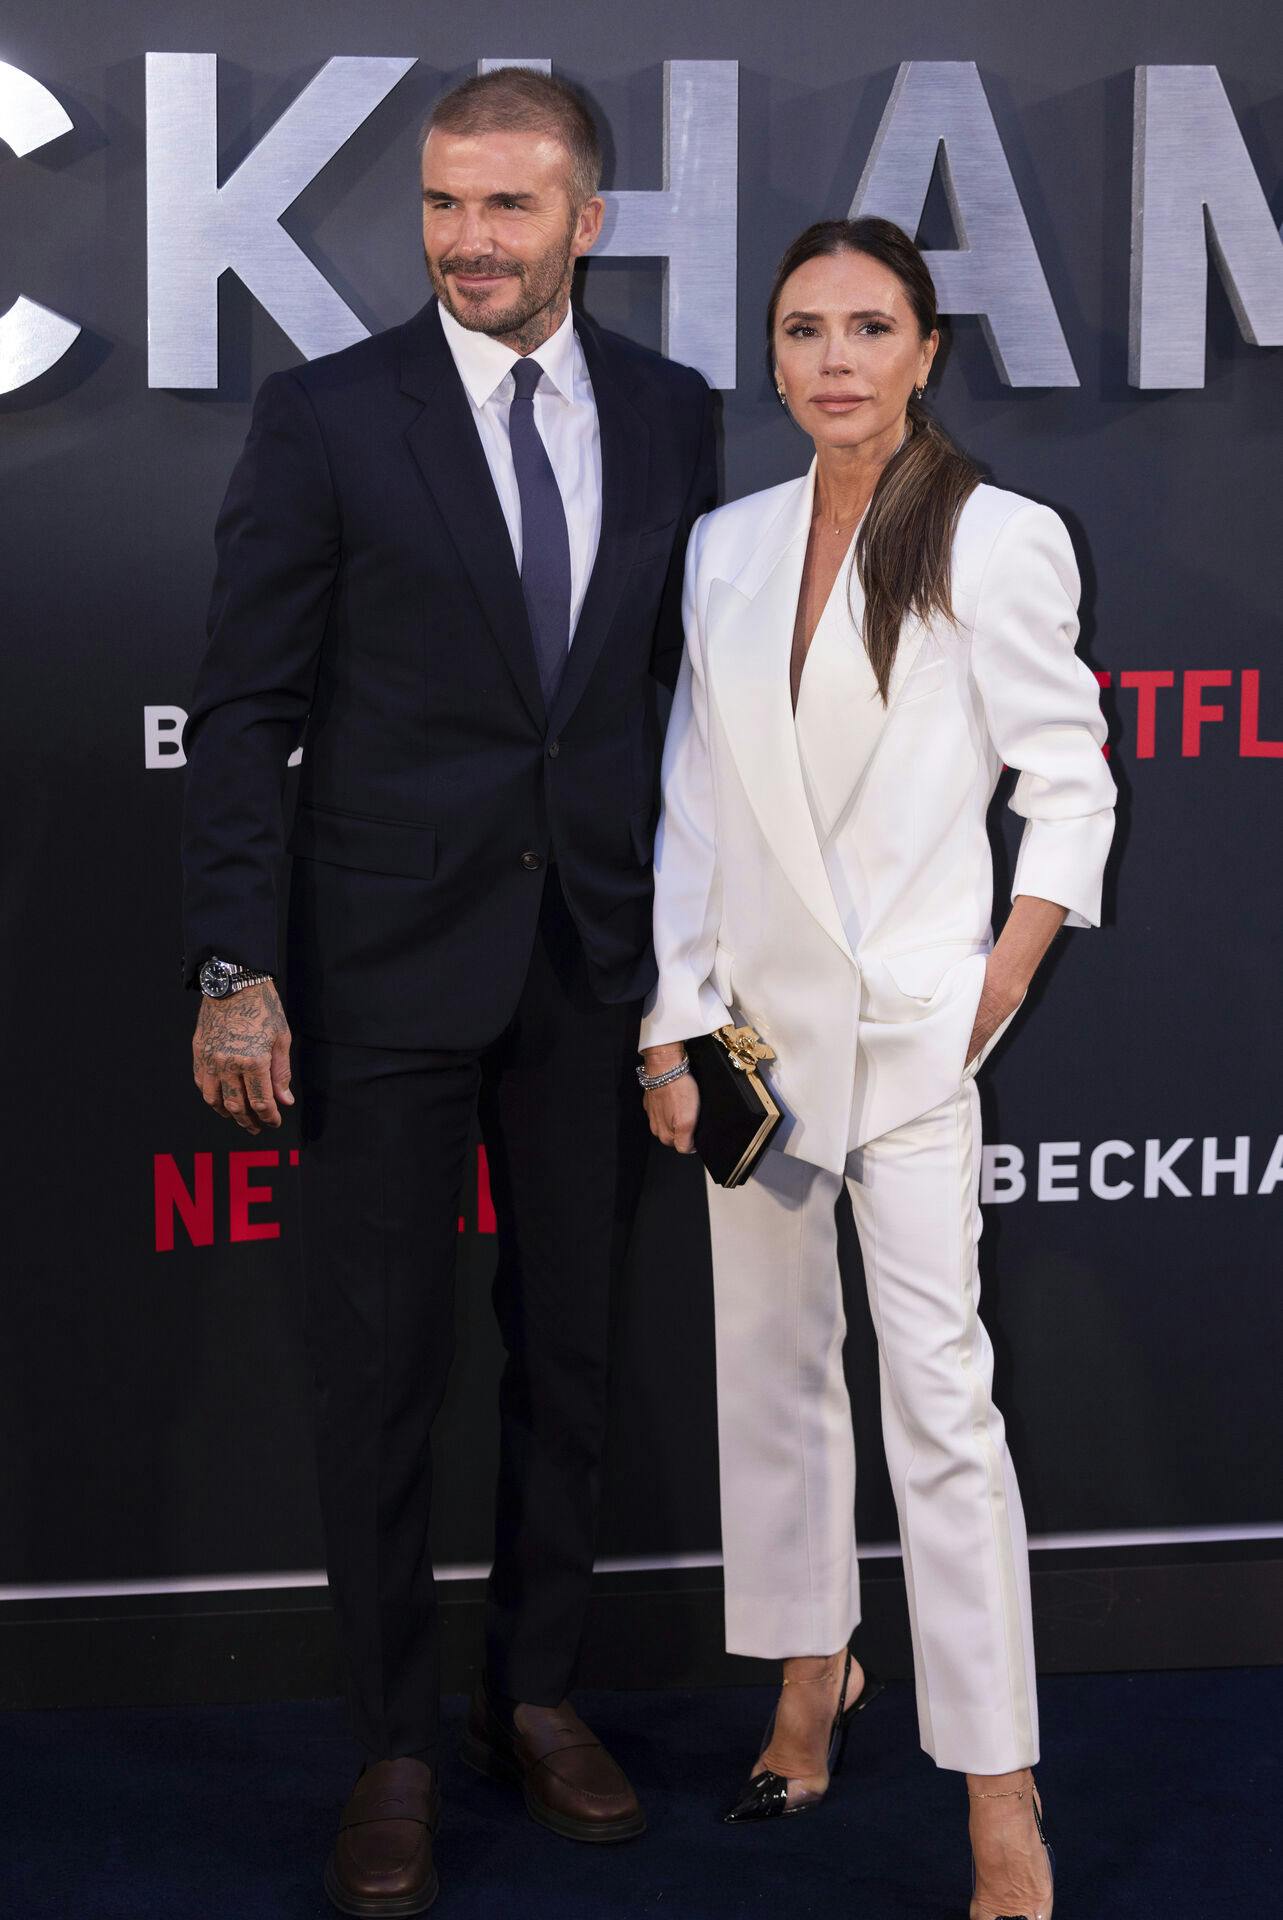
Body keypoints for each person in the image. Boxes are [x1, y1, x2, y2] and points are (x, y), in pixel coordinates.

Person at [181, 67, 716, 1917]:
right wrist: (242, 966)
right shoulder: (329, 416)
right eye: (440, 207)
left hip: (596, 972)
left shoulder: (671, 415)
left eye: (507, 209)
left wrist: (689, 975)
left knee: (572, 1362)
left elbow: (687, 712)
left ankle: (538, 1691)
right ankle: (397, 1738)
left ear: (589, 219)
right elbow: (248, 709)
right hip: (380, 967)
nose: (467, 243)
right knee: (386, 1370)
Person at [639, 216, 1115, 1920]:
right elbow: (696, 800)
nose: (835, 358)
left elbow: (1073, 785)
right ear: (770, 358)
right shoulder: (727, 548)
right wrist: (669, 1023)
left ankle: (1001, 1788)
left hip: (913, 1038)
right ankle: (806, 1678)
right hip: (749, 1047)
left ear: (926, 351)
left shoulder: (998, 538)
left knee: (941, 1410)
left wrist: (988, 985)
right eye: (803, 329)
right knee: (770, 1380)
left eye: (870, 327)